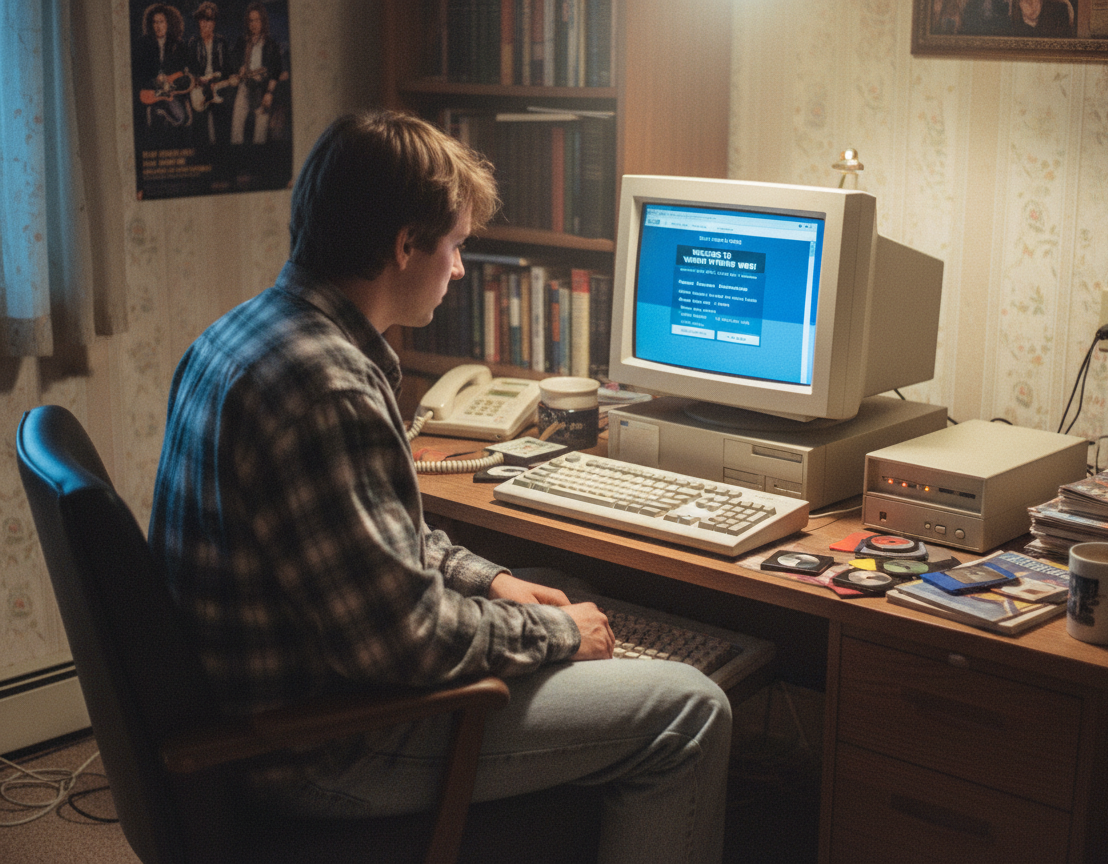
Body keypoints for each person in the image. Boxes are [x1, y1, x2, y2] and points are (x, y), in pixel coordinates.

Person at [149, 111, 732, 864]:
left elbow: (376, 538)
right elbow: (407, 643)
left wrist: (491, 581)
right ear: (404, 246)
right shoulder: (327, 389)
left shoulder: (242, 333)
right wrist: (562, 636)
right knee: (691, 708)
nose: (458, 270)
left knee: (549, 584)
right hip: (325, 749)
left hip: (274, 700)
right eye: (455, 245)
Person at [132, 3, 190, 144]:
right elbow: (137, 75)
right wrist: (155, 81)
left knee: (181, 118)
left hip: (170, 94)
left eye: (161, 22)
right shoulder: (142, 44)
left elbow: (182, 75)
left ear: (168, 23)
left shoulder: (178, 45)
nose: (158, 26)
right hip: (149, 93)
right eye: (155, 22)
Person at [229, 2, 282, 144]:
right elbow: (232, 59)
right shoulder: (242, 41)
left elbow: (276, 71)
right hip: (244, 87)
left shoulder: (271, 45)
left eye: (257, 20)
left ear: (263, 21)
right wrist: (239, 68)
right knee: (236, 131)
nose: (254, 24)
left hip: (262, 90)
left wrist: (269, 93)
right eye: (251, 20)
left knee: (260, 135)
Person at [187, 2, 232, 145]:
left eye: (211, 20)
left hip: (218, 86)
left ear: (214, 22)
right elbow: (190, 70)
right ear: (199, 22)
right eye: (204, 20)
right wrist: (200, 81)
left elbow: (227, 69)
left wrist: (220, 79)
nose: (207, 24)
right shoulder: (193, 43)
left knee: (222, 127)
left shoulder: (221, 42)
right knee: (200, 132)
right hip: (200, 88)